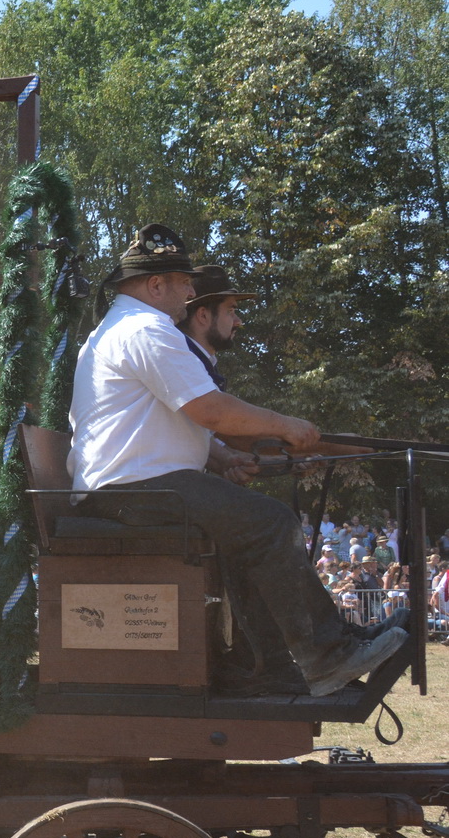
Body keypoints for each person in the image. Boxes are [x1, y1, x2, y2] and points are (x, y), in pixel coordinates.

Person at [68, 226, 407, 697]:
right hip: (132, 490)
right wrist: (286, 424)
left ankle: (264, 665)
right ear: (155, 285)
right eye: (184, 281)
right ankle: (328, 655)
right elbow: (209, 409)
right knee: (269, 522)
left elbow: (159, 426)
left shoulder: (127, 329)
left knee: (250, 528)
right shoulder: (144, 330)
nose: (190, 292)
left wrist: (224, 457)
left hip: (138, 485)